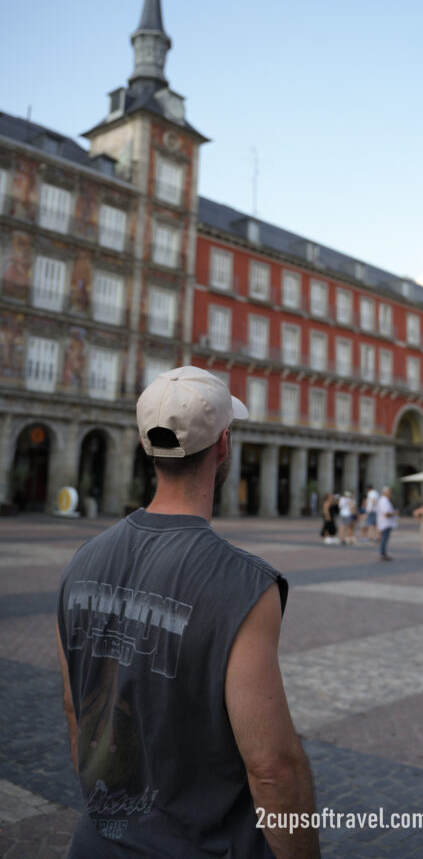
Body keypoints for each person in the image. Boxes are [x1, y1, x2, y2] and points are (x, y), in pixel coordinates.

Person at [56, 366, 320, 859]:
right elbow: (272, 769)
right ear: (223, 446)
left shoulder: (79, 563)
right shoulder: (243, 585)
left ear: (144, 444)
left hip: (95, 844)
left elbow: (77, 709)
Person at [376, 486, 398, 560]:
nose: (390, 493)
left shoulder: (385, 500)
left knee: (384, 538)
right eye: (389, 491)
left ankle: (383, 553)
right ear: (385, 492)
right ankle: (383, 554)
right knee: (384, 539)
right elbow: (386, 514)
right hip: (385, 523)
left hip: (386, 523)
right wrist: (394, 513)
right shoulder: (384, 501)